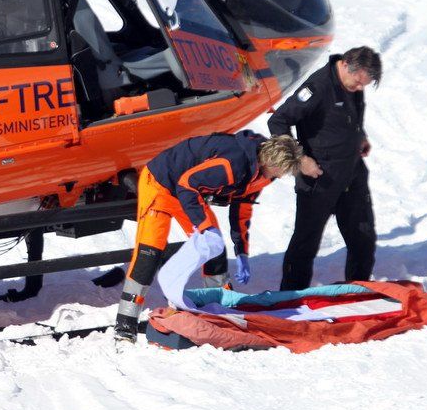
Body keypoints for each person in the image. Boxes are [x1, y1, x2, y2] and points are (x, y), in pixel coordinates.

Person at [114, 131, 304, 341]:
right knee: (149, 254)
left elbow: (241, 208)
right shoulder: (232, 164)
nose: (281, 176)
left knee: (214, 249)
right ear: (271, 161)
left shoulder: (262, 173)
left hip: (186, 193)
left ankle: (218, 311)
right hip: (160, 185)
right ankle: (125, 323)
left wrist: (241, 250)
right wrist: (204, 226)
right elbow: (186, 185)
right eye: (281, 170)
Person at [268, 46, 382, 291]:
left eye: (364, 85)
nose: (359, 88)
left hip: (352, 172)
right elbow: (278, 120)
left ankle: (358, 289)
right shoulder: (317, 88)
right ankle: (290, 296)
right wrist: (299, 158)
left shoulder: (352, 83)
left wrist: (358, 136)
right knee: (306, 241)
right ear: (345, 65)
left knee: (363, 236)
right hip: (320, 177)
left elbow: (347, 115)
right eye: (358, 82)